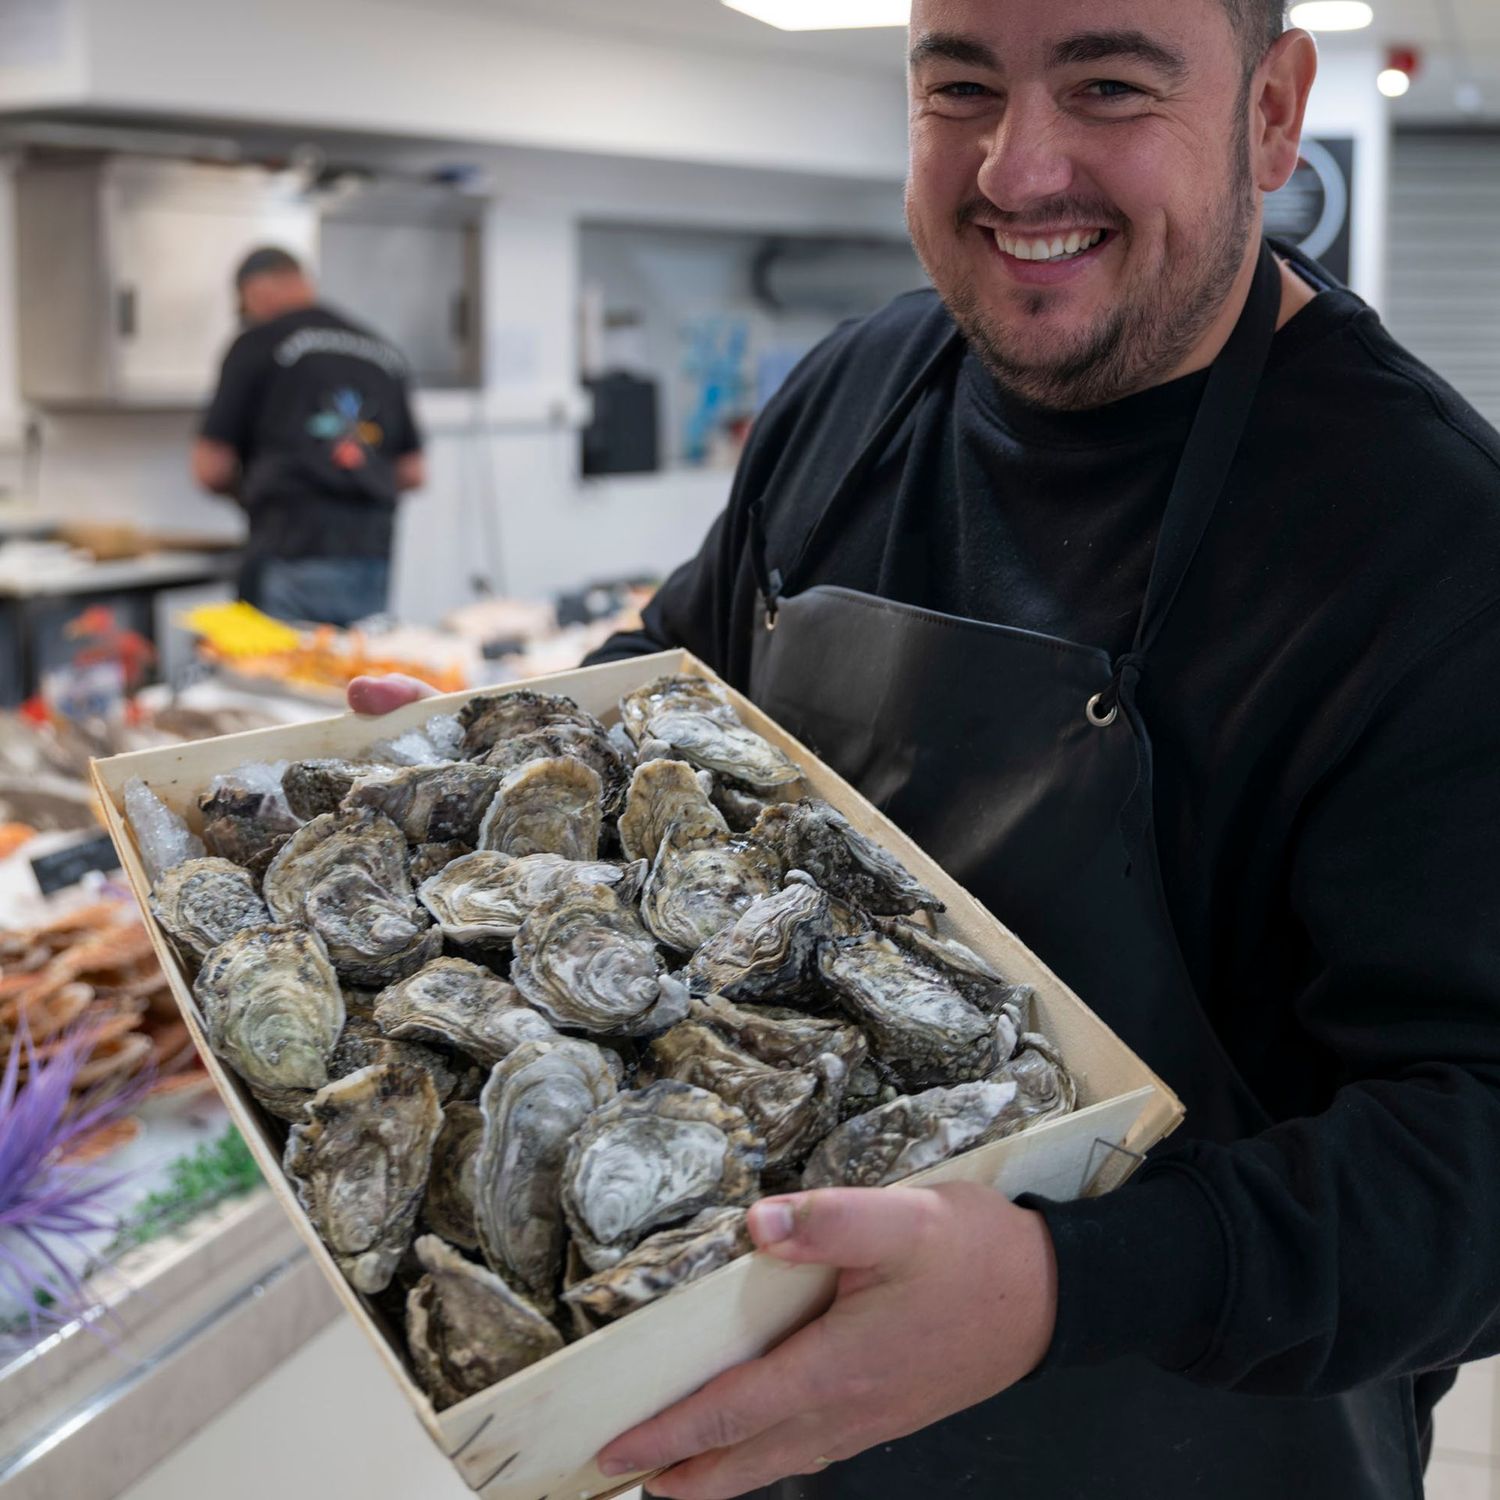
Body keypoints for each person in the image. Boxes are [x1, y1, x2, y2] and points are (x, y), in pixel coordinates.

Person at [350, 0, 1500, 1494]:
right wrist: (503, 766)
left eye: (1108, 84)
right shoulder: (855, 392)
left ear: (1272, 114)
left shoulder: (1433, 546)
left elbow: (1474, 1148)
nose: (1018, 171)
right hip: (778, 1417)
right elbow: (681, 674)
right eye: (960, 86)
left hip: (1187, 1438)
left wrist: (1064, 1285)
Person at [193, 247, 426, 627]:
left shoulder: (257, 344)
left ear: (257, 290)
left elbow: (210, 468)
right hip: (370, 554)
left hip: (289, 547)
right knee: (358, 661)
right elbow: (413, 472)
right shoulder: (383, 351)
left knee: (284, 663)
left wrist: (251, 490)